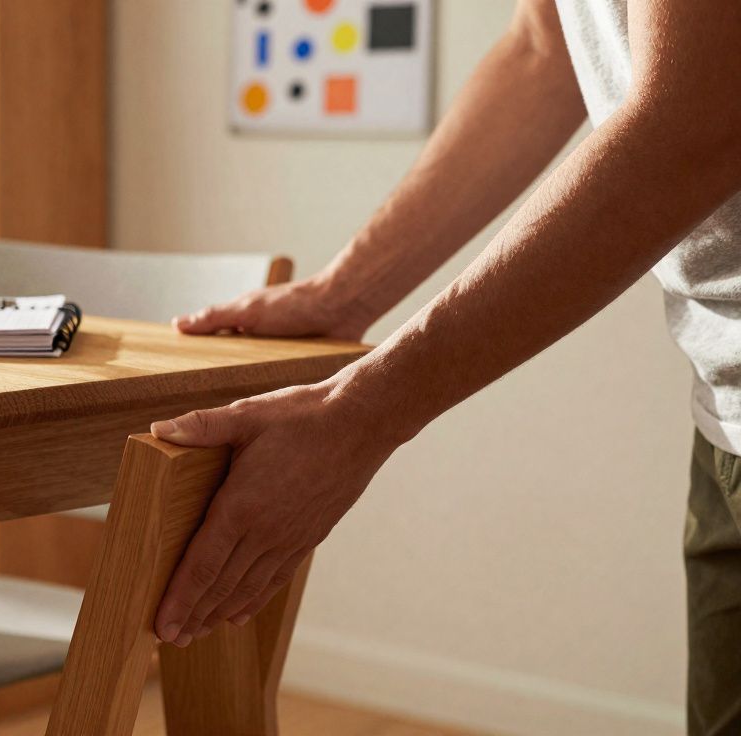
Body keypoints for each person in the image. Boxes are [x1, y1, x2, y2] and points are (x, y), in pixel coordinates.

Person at [149, 0, 741, 732]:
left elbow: (693, 118)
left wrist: (362, 414)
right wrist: (346, 293)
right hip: (723, 404)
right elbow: (542, 48)